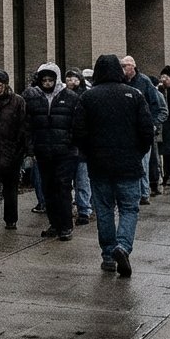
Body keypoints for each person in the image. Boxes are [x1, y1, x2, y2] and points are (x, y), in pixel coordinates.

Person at [74, 55, 154, 279]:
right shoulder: (134, 95)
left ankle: (109, 255)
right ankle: (123, 246)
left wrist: (89, 153)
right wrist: (138, 153)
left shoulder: (88, 97)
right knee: (129, 208)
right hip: (129, 164)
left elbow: (78, 132)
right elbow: (147, 130)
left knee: (104, 209)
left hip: (99, 165)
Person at [23, 62, 80, 241]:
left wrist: (71, 143)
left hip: (65, 152)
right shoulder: (34, 98)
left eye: (50, 80)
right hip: (43, 150)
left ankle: (66, 226)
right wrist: (31, 148)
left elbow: (77, 123)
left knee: (63, 187)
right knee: (48, 188)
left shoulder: (70, 97)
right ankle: (54, 224)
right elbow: (28, 125)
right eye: (44, 80)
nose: (47, 83)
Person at [0, 69, 28, 230]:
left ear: (5, 84)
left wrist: (20, 151)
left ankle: (11, 219)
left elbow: (23, 127)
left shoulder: (18, 102)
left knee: (10, 189)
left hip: (12, 152)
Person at [119, 56, 167, 204]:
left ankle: (144, 193)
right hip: (127, 129)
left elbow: (159, 107)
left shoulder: (144, 81)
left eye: (124, 66)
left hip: (142, 129)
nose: (122, 69)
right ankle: (134, 192)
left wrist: (153, 124)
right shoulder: (121, 82)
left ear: (132, 66)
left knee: (143, 163)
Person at [64, 69, 93, 225]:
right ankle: (77, 209)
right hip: (69, 147)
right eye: (68, 79)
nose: (71, 82)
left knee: (82, 181)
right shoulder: (63, 98)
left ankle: (84, 210)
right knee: (71, 181)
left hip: (81, 148)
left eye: (74, 79)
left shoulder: (85, 97)